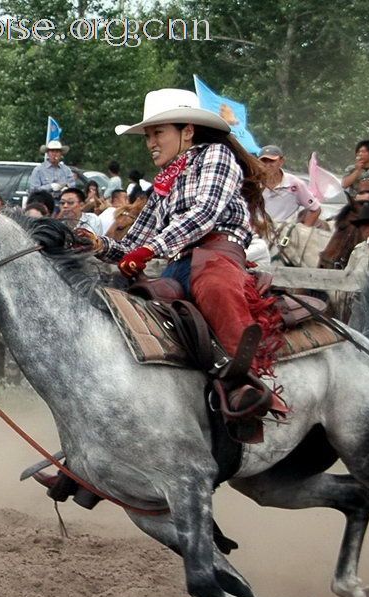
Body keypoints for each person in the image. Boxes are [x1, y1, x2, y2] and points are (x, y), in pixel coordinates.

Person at [91, 87, 288, 439]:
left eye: (158, 132)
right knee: (131, 306)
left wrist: (150, 250)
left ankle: (247, 385)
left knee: (215, 288)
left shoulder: (216, 155)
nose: (151, 142)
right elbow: (134, 242)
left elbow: (206, 212)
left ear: (188, 131)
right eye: (148, 135)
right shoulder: (165, 180)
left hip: (218, 253)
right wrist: (98, 244)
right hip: (177, 263)